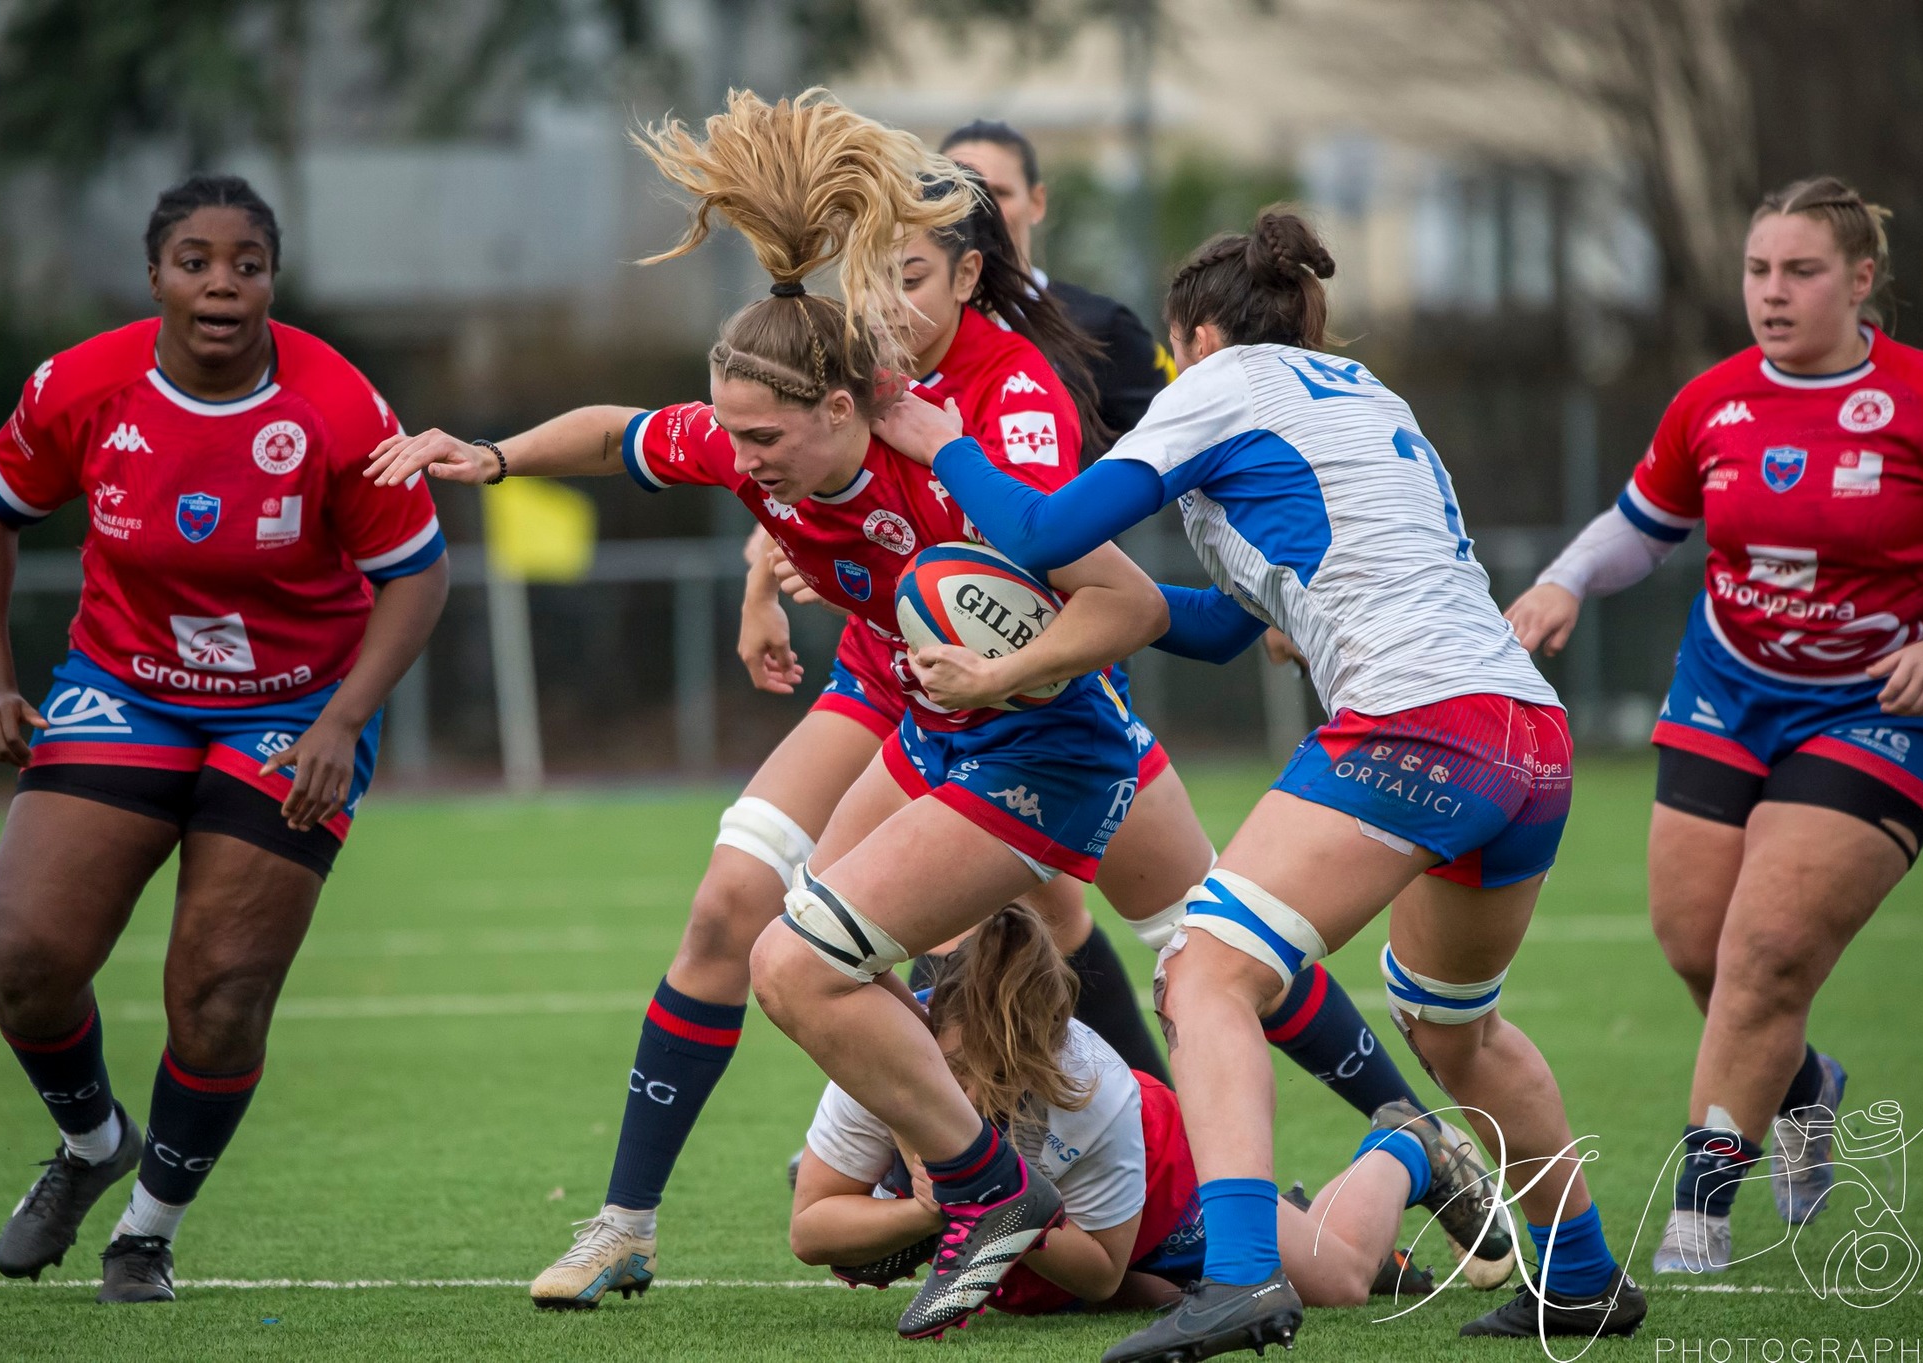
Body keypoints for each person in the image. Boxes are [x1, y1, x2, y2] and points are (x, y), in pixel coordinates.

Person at [363, 90, 1168, 1337]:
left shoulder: (945, 453)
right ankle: (658, 1218)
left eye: (760, 440)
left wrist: (997, 670)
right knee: (750, 927)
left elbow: (1124, 605)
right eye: (727, 434)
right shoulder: (750, 431)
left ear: (842, 413)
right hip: (930, 726)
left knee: (1164, 947)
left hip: (1038, 744)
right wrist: (493, 454)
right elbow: (616, 431)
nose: (733, 462)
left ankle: (1050, 1194)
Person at [873, 205, 1648, 1356]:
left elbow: (1037, 529)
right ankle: (1581, 1277)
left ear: (1190, 335)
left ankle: (1238, 1276)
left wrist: (937, 441)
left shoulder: (1217, 386)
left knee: (1203, 972)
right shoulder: (1363, 394)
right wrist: (1057, 636)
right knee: (1457, 1033)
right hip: (1522, 739)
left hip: (1417, 726)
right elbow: (1217, 627)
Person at [743, 172, 1432, 1133]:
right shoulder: (868, 378)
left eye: (906, 273)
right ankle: (963, 1146)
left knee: (1197, 953)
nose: (884, 301)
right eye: (871, 277)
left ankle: (1050, 1174)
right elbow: (1204, 618)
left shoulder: (1028, 380)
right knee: (885, 924)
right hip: (945, 707)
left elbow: (1048, 549)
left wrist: (946, 454)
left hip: (1058, 713)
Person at [0, 174, 448, 1303]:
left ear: (273, 279)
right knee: (28, 958)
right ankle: (90, 1145)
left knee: (221, 988)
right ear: (155, 277)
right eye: (195, 260)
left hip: (291, 707)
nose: (222, 283)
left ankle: (147, 1230)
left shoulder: (336, 407)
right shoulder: (83, 386)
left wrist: (339, 722)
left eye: (247, 262)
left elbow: (415, 577)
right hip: (124, 684)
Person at [1505, 177, 1923, 1276]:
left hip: (1877, 707)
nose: (1771, 292)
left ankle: (1697, 1216)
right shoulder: (1711, 400)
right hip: (1725, 688)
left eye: (1799, 271)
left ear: (1858, 282)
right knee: (1694, 945)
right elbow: (1641, 524)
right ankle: (1805, 1085)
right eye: (1757, 270)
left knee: (1762, 957)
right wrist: (1562, 582)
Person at [790, 903, 1494, 1323]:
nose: (968, 1091)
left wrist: (994, 1193)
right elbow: (812, 1226)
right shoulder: (886, 1056)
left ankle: (1407, 1147)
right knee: (1151, 1294)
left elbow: (1099, 1269)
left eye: (995, 1076)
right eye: (953, 1064)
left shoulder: (1092, 1087)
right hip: (1045, 1231)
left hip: (1154, 1187)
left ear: (1040, 1057)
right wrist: (931, 1209)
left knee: (1337, 1283)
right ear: (929, 1020)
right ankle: (1291, 1214)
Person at [940, 119, 1174, 456]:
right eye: (963, 192)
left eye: (1000, 193)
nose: (983, 209)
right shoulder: (908, 331)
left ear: (1037, 202)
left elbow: (1180, 441)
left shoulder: (1102, 327)